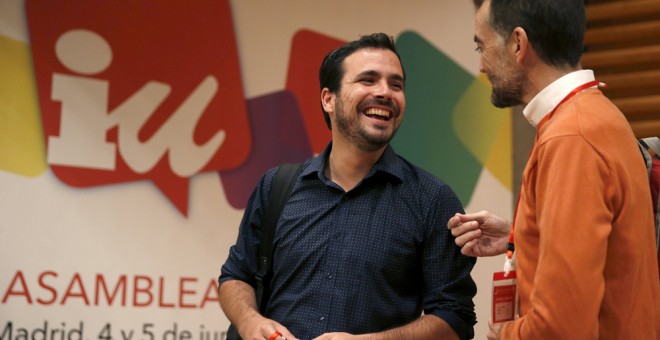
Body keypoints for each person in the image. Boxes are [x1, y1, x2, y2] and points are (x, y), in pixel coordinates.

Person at [218, 33, 477, 340]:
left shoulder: (432, 200)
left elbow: (455, 318)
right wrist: (249, 322)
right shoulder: (276, 186)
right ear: (329, 99)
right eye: (368, 80)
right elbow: (235, 276)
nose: (385, 92)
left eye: (396, 84)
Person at [448, 0, 660, 338]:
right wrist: (522, 237)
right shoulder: (593, 116)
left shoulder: (571, 136)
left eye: (482, 46)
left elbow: (562, 327)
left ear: (518, 44)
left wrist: (504, 334)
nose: (481, 66)